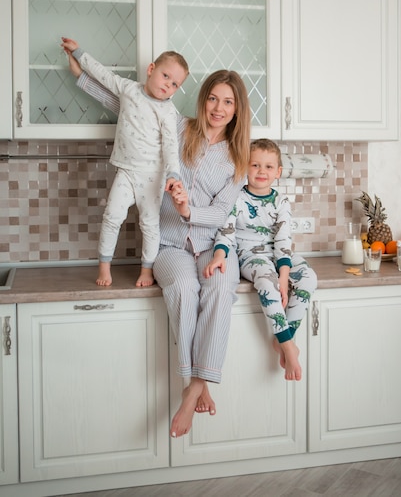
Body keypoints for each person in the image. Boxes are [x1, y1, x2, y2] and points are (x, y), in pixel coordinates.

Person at [69, 54, 252, 438]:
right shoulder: (179, 126)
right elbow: (130, 105)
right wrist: (83, 76)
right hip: (168, 244)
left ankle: (194, 390)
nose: (219, 108)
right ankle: (195, 383)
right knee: (184, 288)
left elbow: (221, 213)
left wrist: (189, 209)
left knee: (220, 289)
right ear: (202, 100)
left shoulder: (238, 158)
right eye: (213, 99)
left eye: (228, 102)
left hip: (213, 246)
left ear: (238, 110)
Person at [61, 37, 189, 288]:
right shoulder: (128, 89)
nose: (168, 85)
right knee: (111, 216)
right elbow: (103, 76)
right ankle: (104, 267)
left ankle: (146, 270)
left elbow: (171, 145)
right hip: (126, 171)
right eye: (166, 76)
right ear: (151, 69)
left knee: (150, 225)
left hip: (153, 176)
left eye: (175, 84)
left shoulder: (168, 112)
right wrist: (79, 54)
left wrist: (174, 173)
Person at [204, 138, 317, 381]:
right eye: (255, 165)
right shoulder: (236, 198)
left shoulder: (281, 202)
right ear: (245, 166)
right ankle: (288, 345)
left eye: (268, 167)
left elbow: (283, 241)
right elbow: (226, 231)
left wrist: (285, 276)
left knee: (309, 277)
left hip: (278, 254)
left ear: (278, 172)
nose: (261, 171)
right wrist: (219, 256)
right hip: (250, 255)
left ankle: (284, 337)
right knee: (268, 284)